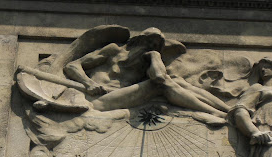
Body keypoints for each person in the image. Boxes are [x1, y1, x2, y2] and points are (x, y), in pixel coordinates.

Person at [63, 27, 229, 119]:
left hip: (119, 98)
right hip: (97, 101)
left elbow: (159, 75)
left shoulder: (144, 67)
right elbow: (72, 66)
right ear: (137, 40)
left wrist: (154, 56)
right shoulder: (113, 50)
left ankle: (228, 110)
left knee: (177, 81)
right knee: (159, 86)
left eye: (155, 45)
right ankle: (214, 112)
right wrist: (89, 83)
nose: (150, 46)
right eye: (148, 41)